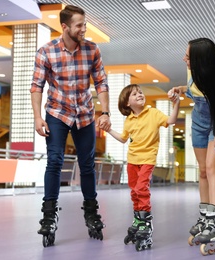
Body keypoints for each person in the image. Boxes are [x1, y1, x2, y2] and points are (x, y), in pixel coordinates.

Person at [30, 5, 111, 246]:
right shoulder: (46, 51)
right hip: (57, 112)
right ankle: (48, 214)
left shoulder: (92, 49)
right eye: (79, 25)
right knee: (54, 160)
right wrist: (37, 117)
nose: (84, 29)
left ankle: (91, 211)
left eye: (85, 24)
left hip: (84, 114)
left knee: (87, 165)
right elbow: (37, 86)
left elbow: (101, 83)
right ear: (65, 27)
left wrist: (105, 112)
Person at [169, 38, 215, 253]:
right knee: (202, 171)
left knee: (211, 168)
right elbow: (194, 90)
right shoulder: (193, 71)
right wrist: (180, 90)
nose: (184, 59)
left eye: (188, 57)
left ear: (201, 60)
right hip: (199, 123)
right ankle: (205, 219)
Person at [104, 84, 180, 251]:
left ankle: (146, 223)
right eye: (134, 94)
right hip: (132, 160)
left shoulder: (153, 113)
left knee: (141, 189)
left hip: (147, 159)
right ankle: (138, 219)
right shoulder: (128, 120)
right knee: (134, 191)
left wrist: (177, 104)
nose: (139, 95)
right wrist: (109, 130)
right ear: (127, 104)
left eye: (140, 92)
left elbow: (171, 120)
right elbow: (124, 139)